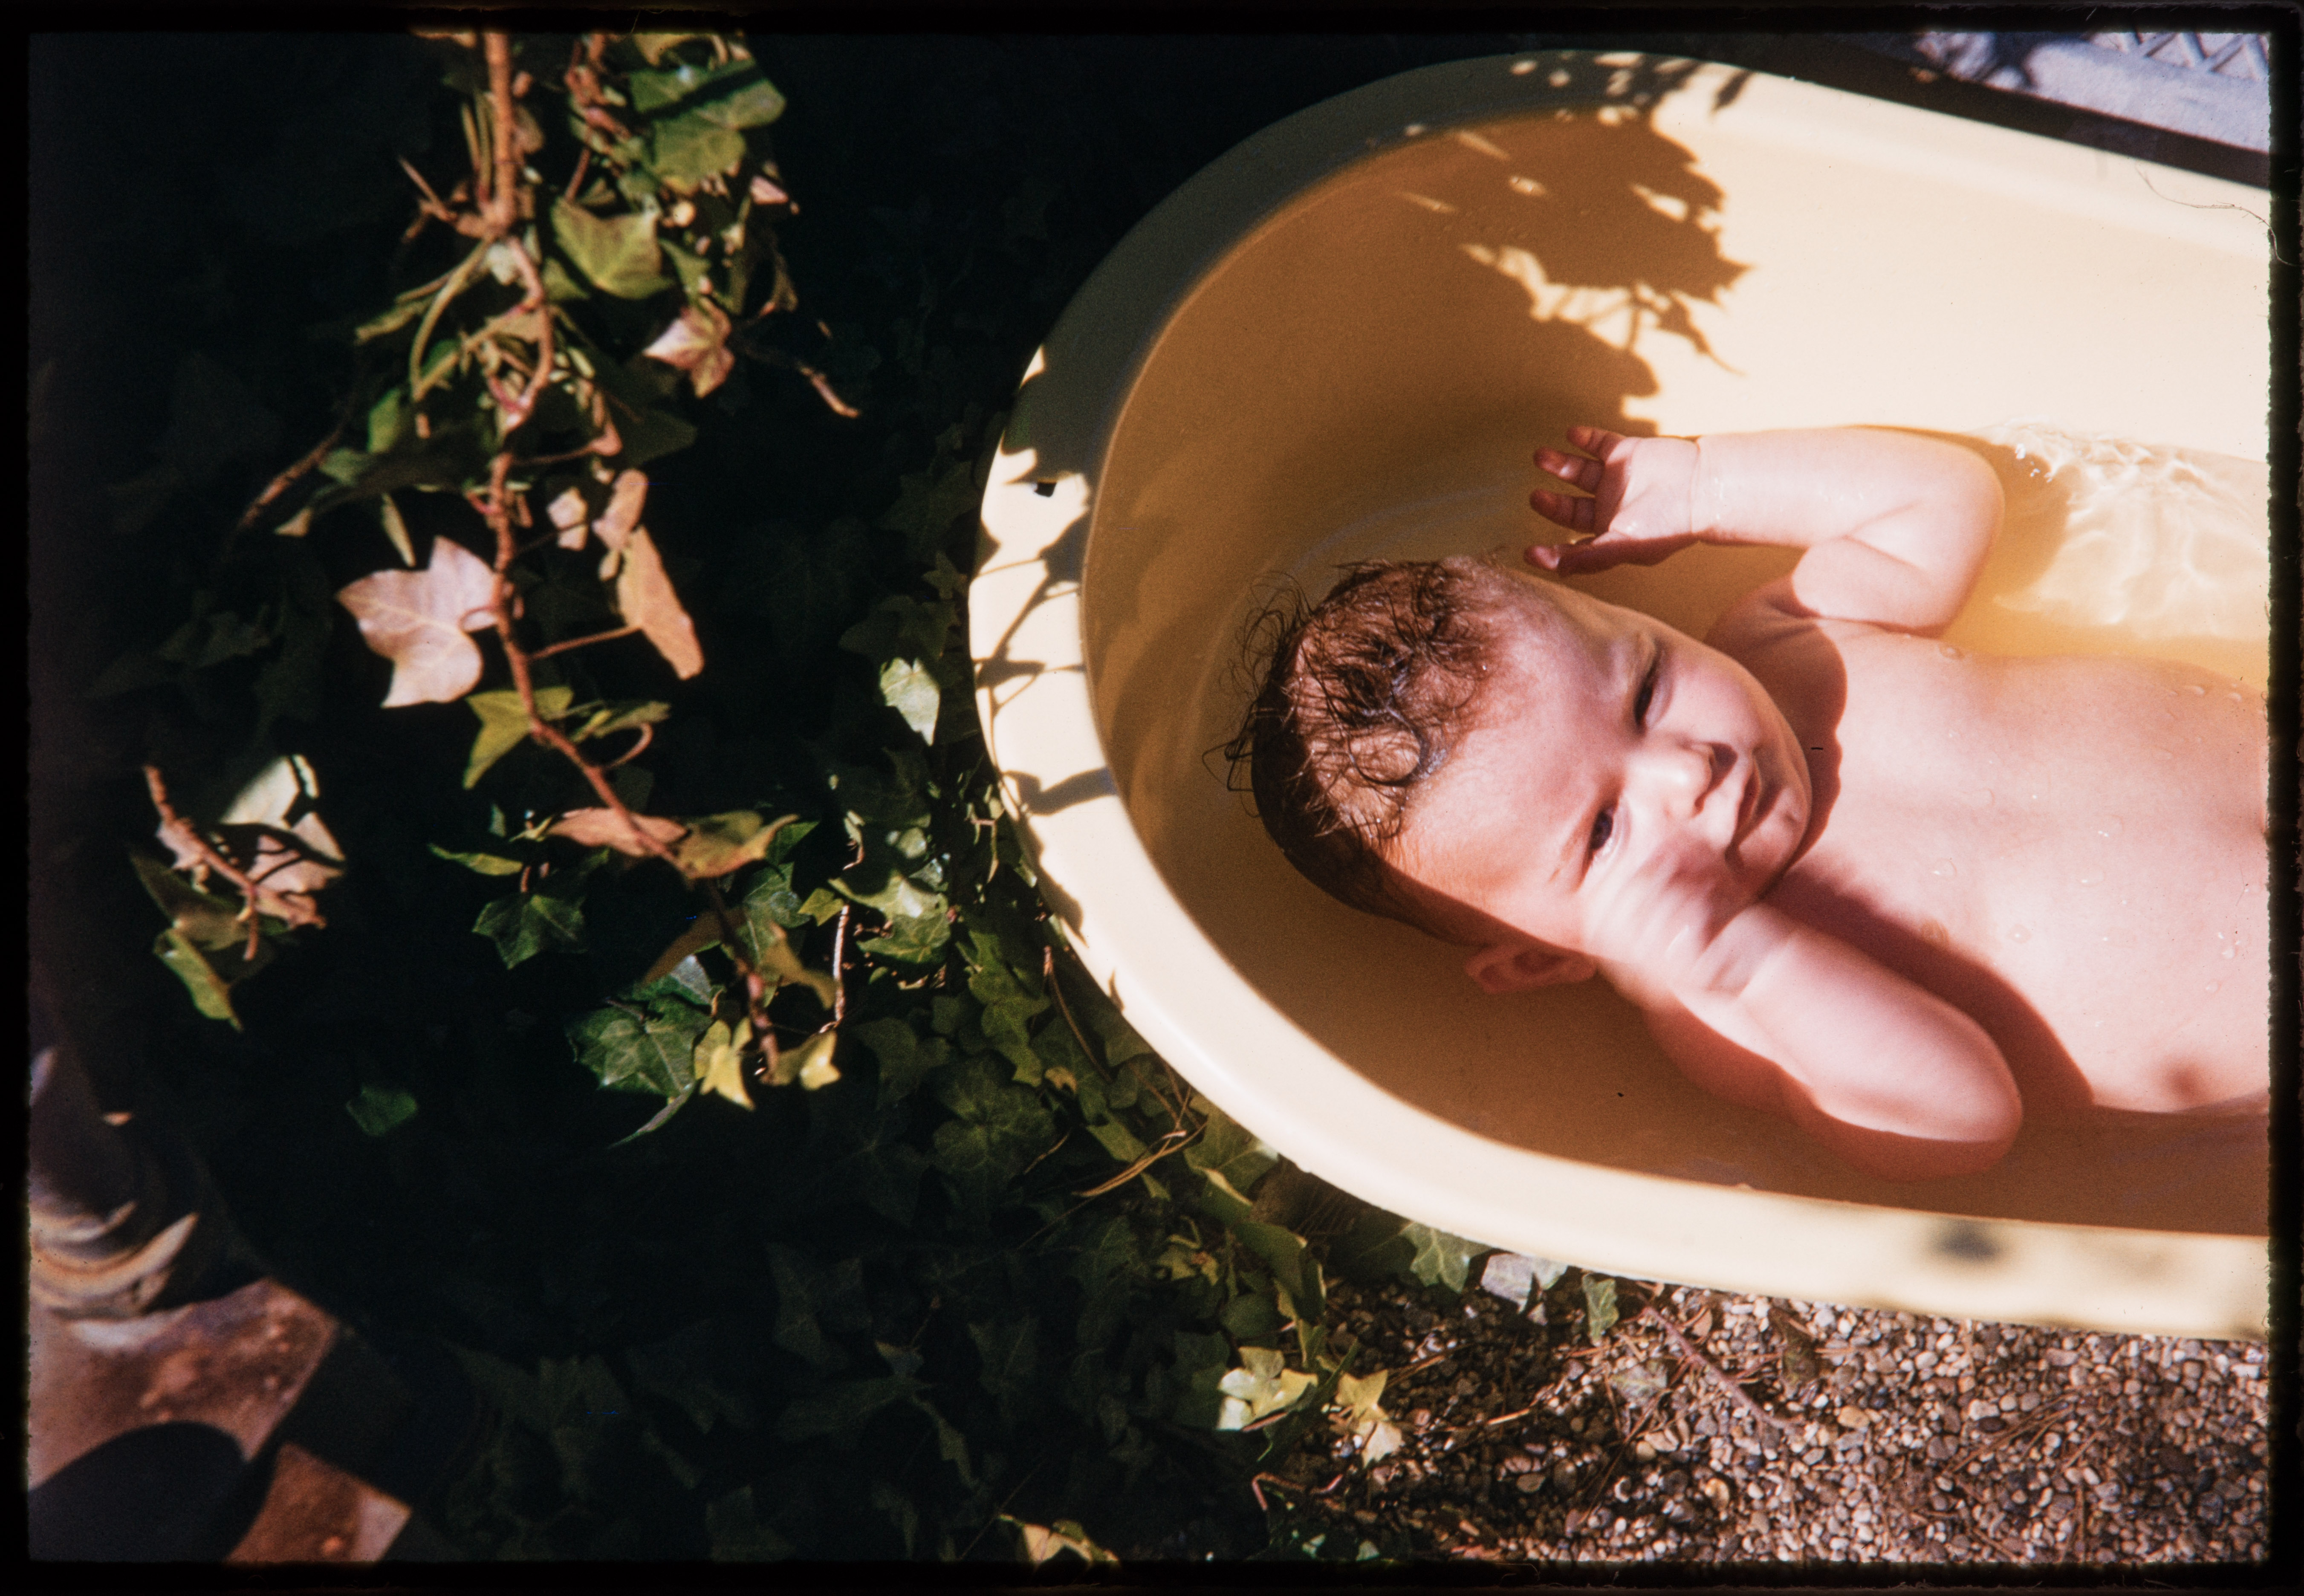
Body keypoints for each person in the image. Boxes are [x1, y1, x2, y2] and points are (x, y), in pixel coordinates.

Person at [1234, 425, 2268, 1181]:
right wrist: (1737, 957)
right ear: (1545, 957)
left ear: (1632, 618)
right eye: (1603, 831)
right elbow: (1961, 1124)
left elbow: (1948, 499)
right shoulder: (1723, 1012)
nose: (1685, 771)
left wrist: (1709, 484)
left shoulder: (1791, 642)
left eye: (1646, 689)